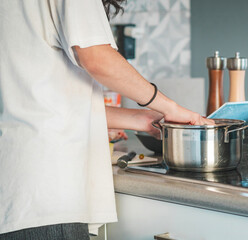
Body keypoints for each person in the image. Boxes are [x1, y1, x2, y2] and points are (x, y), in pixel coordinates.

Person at [0, 0, 214, 239]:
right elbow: (96, 57)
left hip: (16, 190)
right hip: (46, 193)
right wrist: (170, 107)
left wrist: (140, 119)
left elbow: (35, 99)